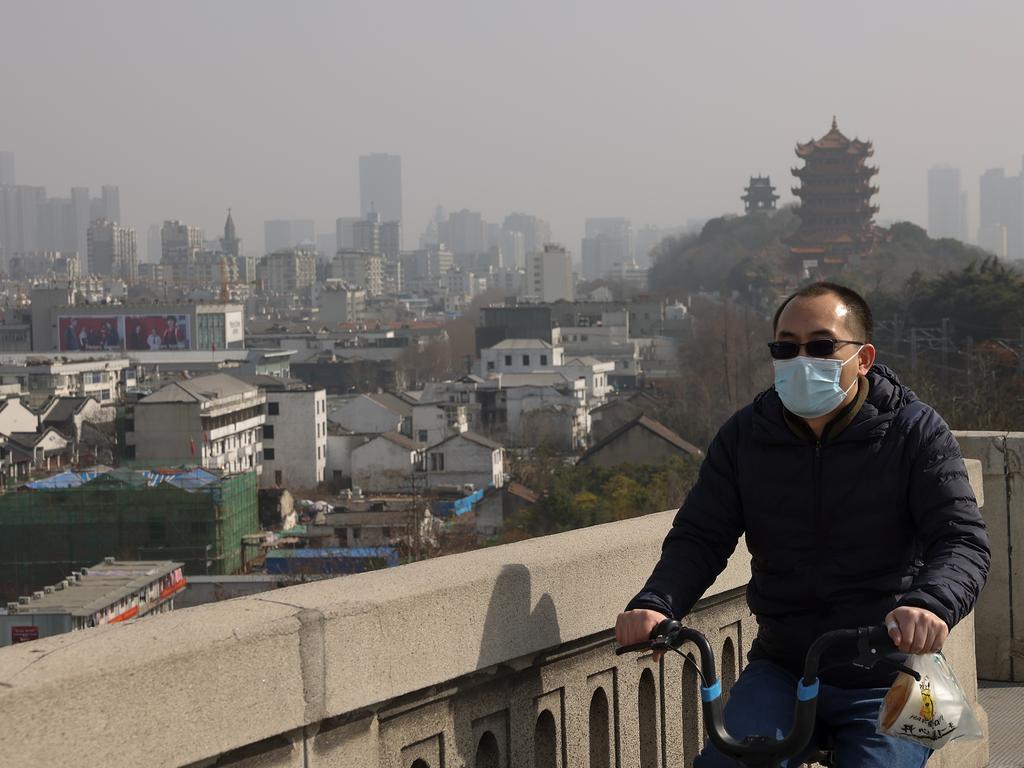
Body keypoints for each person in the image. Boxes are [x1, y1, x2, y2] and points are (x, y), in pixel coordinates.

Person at [615, 282, 990, 767]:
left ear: (864, 358)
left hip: (889, 669)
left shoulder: (914, 432)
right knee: (725, 763)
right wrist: (656, 603)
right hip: (783, 666)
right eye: (785, 347)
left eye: (821, 345)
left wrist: (929, 604)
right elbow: (700, 536)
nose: (801, 359)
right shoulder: (745, 436)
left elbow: (961, 540)